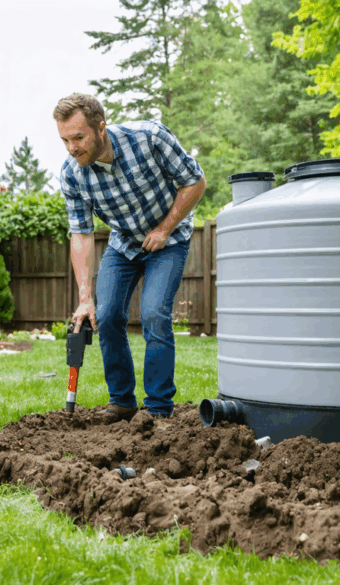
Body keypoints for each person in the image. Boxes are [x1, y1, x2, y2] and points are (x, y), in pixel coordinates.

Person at [53, 93, 206, 420]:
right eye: (64, 139)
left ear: (101, 128)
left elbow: (195, 182)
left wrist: (164, 228)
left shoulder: (150, 138)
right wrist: (84, 298)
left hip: (169, 239)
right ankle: (122, 401)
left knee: (153, 313)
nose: (71, 148)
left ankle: (158, 409)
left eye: (79, 138)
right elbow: (81, 234)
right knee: (104, 316)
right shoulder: (72, 174)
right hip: (124, 244)